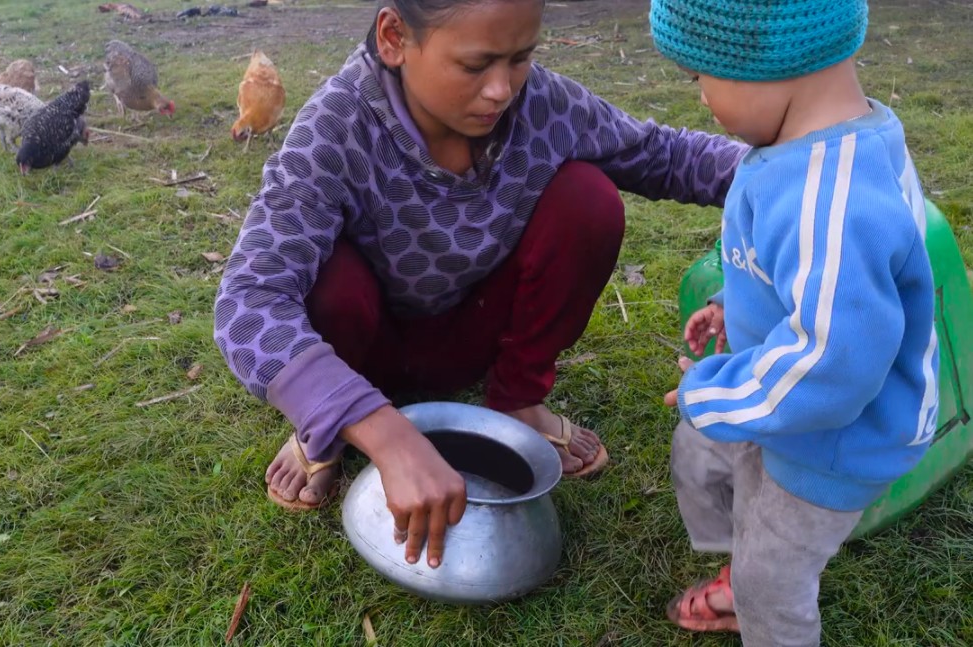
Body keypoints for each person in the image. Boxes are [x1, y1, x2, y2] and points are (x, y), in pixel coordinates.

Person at [214, 0, 744, 568]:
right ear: (394, 37)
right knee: (327, 279)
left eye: (520, 58)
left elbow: (659, 154)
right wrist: (388, 436)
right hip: (361, 351)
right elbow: (248, 302)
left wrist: (799, 164)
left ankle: (516, 402)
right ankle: (331, 424)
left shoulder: (540, 103)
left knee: (587, 198)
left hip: (474, 334)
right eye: (475, 65)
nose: (501, 89)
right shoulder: (338, 126)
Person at [652, 0, 940, 644]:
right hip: (798, 410)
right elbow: (808, 277)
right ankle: (743, 565)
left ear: (761, 56)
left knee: (774, 585)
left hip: (837, 441)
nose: (701, 99)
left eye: (700, 78)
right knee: (711, 466)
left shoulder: (835, 199)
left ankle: (756, 597)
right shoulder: (818, 147)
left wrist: (712, 392)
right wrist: (734, 302)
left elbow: (831, 366)